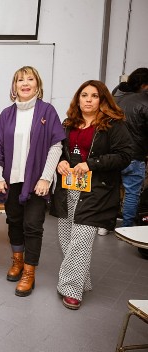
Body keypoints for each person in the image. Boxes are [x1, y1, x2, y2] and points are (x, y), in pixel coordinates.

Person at [51, 80, 132, 310]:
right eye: (84, 95)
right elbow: (57, 150)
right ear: (78, 99)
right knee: (66, 239)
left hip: (97, 191)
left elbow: (125, 155)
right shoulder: (68, 124)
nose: (88, 99)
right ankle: (81, 280)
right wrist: (61, 161)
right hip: (68, 189)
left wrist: (91, 164)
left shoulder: (113, 125)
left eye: (94, 96)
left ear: (102, 99)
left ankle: (71, 290)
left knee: (81, 241)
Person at [0, 66, 65, 297]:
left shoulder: (47, 111)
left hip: (36, 182)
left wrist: (46, 177)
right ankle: (17, 261)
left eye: (30, 79)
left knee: (33, 226)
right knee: (14, 222)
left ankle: (29, 273)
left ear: (37, 84)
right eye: (20, 80)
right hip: (12, 181)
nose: (25, 83)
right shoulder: (7, 114)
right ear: (14, 86)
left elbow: (56, 146)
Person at [104, 67, 148, 235]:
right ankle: (126, 228)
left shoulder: (116, 96)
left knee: (110, 189)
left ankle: (106, 224)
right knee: (132, 192)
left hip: (113, 153)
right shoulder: (144, 101)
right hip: (135, 154)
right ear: (144, 85)